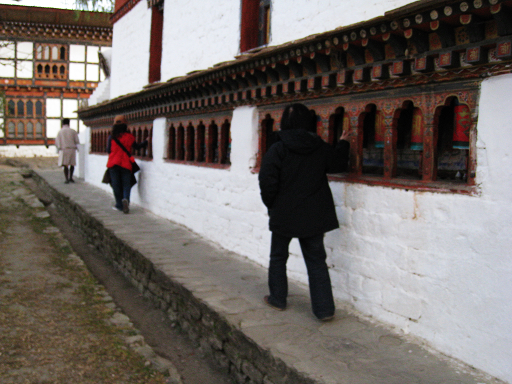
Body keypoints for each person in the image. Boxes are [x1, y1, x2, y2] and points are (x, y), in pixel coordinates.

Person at [258, 103, 350, 321]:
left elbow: (266, 181)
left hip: (284, 213)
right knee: (316, 261)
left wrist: (272, 205)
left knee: (278, 257)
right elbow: (337, 163)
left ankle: (278, 299)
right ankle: (324, 310)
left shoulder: (277, 149)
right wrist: (344, 143)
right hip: (313, 214)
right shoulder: (319, 146)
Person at [106, 115, 147, 214]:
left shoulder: (111, 137)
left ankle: (119, 205)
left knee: (116, 185)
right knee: (126, 185)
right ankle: (126, 200)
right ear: (125, 125)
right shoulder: (130, 137)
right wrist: (146, 141)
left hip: (113, 164)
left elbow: (108, 150)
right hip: (126, 164)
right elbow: (137, 147)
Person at [55, 118, 79, 184]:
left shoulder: (60, 132)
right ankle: (71, 177)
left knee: (65, 165)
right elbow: (77, 141)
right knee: (72, 164)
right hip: (72, 149)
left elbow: (57, 141)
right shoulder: (73, 131)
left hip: (64, 149)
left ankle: (66, 179)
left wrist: (59, 149)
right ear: (69, 123)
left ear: (62, 123)